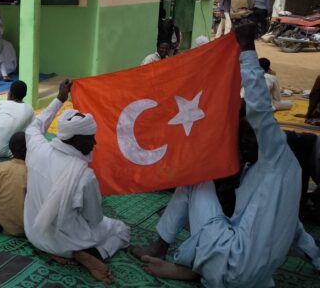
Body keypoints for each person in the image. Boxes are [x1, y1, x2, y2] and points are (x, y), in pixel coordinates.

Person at [131, 23, 320, 286]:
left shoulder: (274, 153)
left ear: (267, 135)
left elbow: (261, 110)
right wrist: (316, 257)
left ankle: (162, 250)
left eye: (249, 134)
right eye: (240, 135)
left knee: (194, 180)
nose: (244, 141)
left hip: (229, 263)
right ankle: (194, 266)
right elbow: (295, 229)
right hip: (257, 280)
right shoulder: (280, 176)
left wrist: (247, 49)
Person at [24, 79, 129, 283]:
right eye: (90, 138)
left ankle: (58, 250)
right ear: (74, 140)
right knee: (121, 230)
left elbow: (35, 126)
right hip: (64, 244)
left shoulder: (37, 148)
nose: (95, 143)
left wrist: (59, 99)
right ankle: (88, 255)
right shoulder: (85, 176)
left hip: (34, 233)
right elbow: (94, 219)